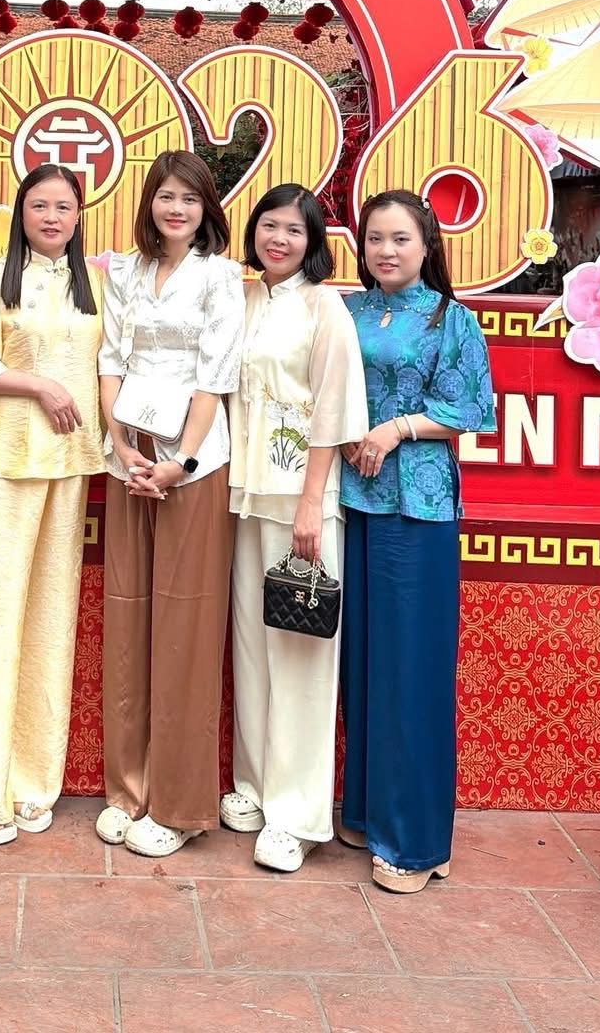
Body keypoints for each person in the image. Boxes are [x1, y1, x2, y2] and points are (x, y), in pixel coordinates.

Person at [0, 164, 104, 846]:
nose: (52, 217)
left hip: (70, 463)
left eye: (64, 206)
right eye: (40, 206)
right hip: (1, 462)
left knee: (49, 624)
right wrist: (38, 385)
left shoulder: (95, 285)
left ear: (79, 214)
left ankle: (33, 781)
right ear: (21, 212)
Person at [339, 188, 496, 894]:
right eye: (375, 238)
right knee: (363, 664)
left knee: (412, 671)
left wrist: (396, 427)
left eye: (401, 238)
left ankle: (417, 842)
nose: (386, 250)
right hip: (353, 502)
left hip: (418, 507)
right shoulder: (349, 311)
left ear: (427, 245)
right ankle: (369, 812)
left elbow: (472, 409)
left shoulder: (450, 318)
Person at [97, 150, 245, 858]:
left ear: (206, 207)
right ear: (149, 203)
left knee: (186, 624)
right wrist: (124, 448)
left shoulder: (221, 277)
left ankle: (181, 805)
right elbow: (110, 362)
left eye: (189, 198)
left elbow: (215, 376)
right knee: (128, 617)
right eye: (165, 196)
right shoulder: (124, 272)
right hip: (129, 458)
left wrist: (179, 461)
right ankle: (127, 790)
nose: (176, 209)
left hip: (193, 462)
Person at [223, 184, 368, 873]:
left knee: (302, 650)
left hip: (300, 496)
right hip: (246, 492)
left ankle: (298, 813)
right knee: (253, 646)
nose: (278, 239)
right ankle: (254, 786)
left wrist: (313, 502)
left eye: (293, 230)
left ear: (313, 242)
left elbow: (335, 409)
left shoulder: (325, 307)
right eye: (269, 226)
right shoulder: (246, 298)